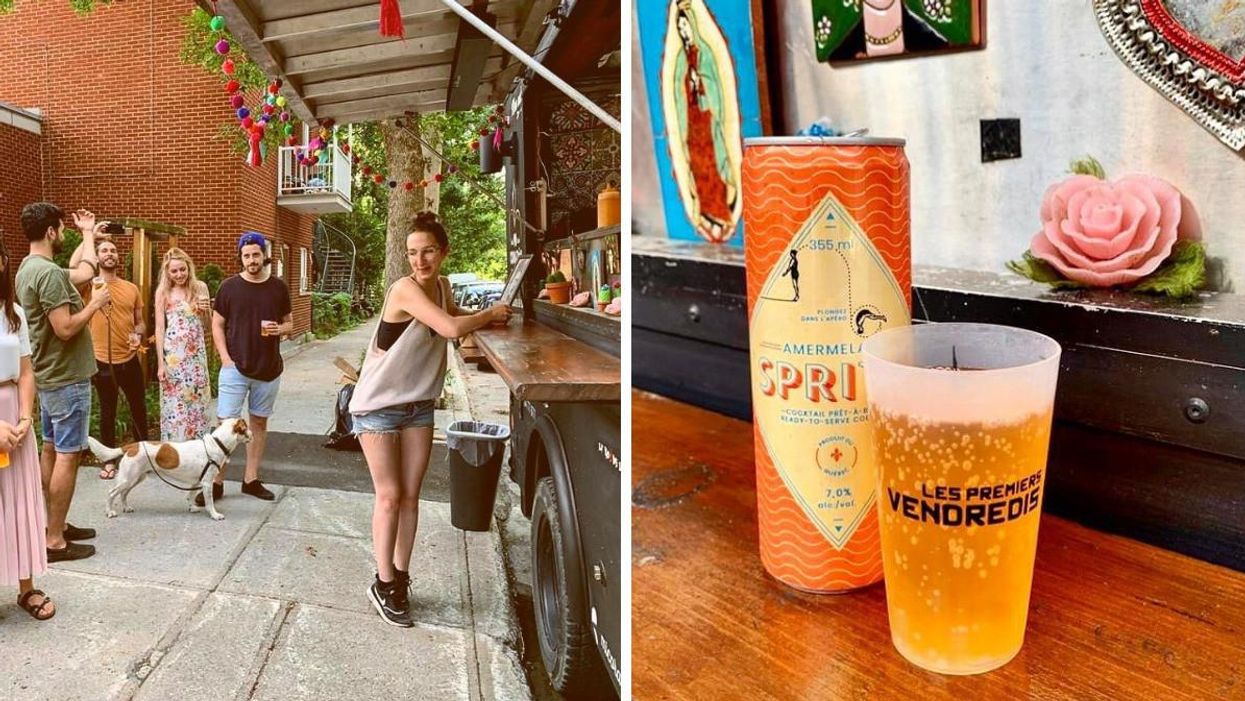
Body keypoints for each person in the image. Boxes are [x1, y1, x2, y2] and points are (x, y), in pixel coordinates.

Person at [349, 211, 510, 627]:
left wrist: (491, 321)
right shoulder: (403, 289)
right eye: (412, 253)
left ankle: (400, 577)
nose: (419, 261)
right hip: (377, 406)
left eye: (428, 252)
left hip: (418, 403)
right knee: (389, 496)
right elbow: (452, 327)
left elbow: (452, 316)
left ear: (443, 252)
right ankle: (383, 583)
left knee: (410, 496)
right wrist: (491, 312)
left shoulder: (442, 285)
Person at [15, 203, 110, 562]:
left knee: (52, 450)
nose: (64, 234)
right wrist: (95, 304)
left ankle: (55, 523)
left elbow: (84, 271)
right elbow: (65, 328)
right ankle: (54, 540)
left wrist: (88, 233)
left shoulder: (29, 268)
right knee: (68, 456)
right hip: (67, 378)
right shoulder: (50, 275)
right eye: (62, 229)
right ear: (52, 232)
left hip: (48, 375)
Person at [198, 231, 291, 506]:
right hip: (235, 367)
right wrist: (225, 359)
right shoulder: (229, 287)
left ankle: (250, 480)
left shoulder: (278, 288)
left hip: (269, 369)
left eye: (256, 254)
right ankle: (216, 483)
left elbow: (290, 323)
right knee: (225, 425)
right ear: (241, 257)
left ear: (264, 255)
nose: (251, 259)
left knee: (258, 423)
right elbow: (217, 324)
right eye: (246, 255)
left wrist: (280, 329)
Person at [0, 236, 55, 619]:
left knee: (21, 503)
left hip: (15, 419)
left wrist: (23, 418)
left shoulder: (13, 312)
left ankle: (26, 587)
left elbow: (26, 371)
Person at [84, 237, 147, 479]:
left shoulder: (131, 288)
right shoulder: (89, 287)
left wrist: (138, 334)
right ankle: (109, 462)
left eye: (113, 250)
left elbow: (141, 322)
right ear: (97, 257)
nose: (110, 253)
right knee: (107, 411)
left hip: (129, 358)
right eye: (104, 250)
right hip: (101, 360)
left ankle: (144, 458)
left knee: (138, 408)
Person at [154, 248, 211, 442]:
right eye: (174, 271)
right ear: (167, 273)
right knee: (175, 404)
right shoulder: (163, 292)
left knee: (197, 402)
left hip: (195, 357)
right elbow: (160, 328)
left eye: (182, 269)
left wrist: (206, 311)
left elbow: (207, 327)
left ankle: (198, 449)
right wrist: (161, 364)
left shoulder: (200, 288)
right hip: (174, 357)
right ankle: (174, 450)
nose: (179, 274)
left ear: (189, 268)